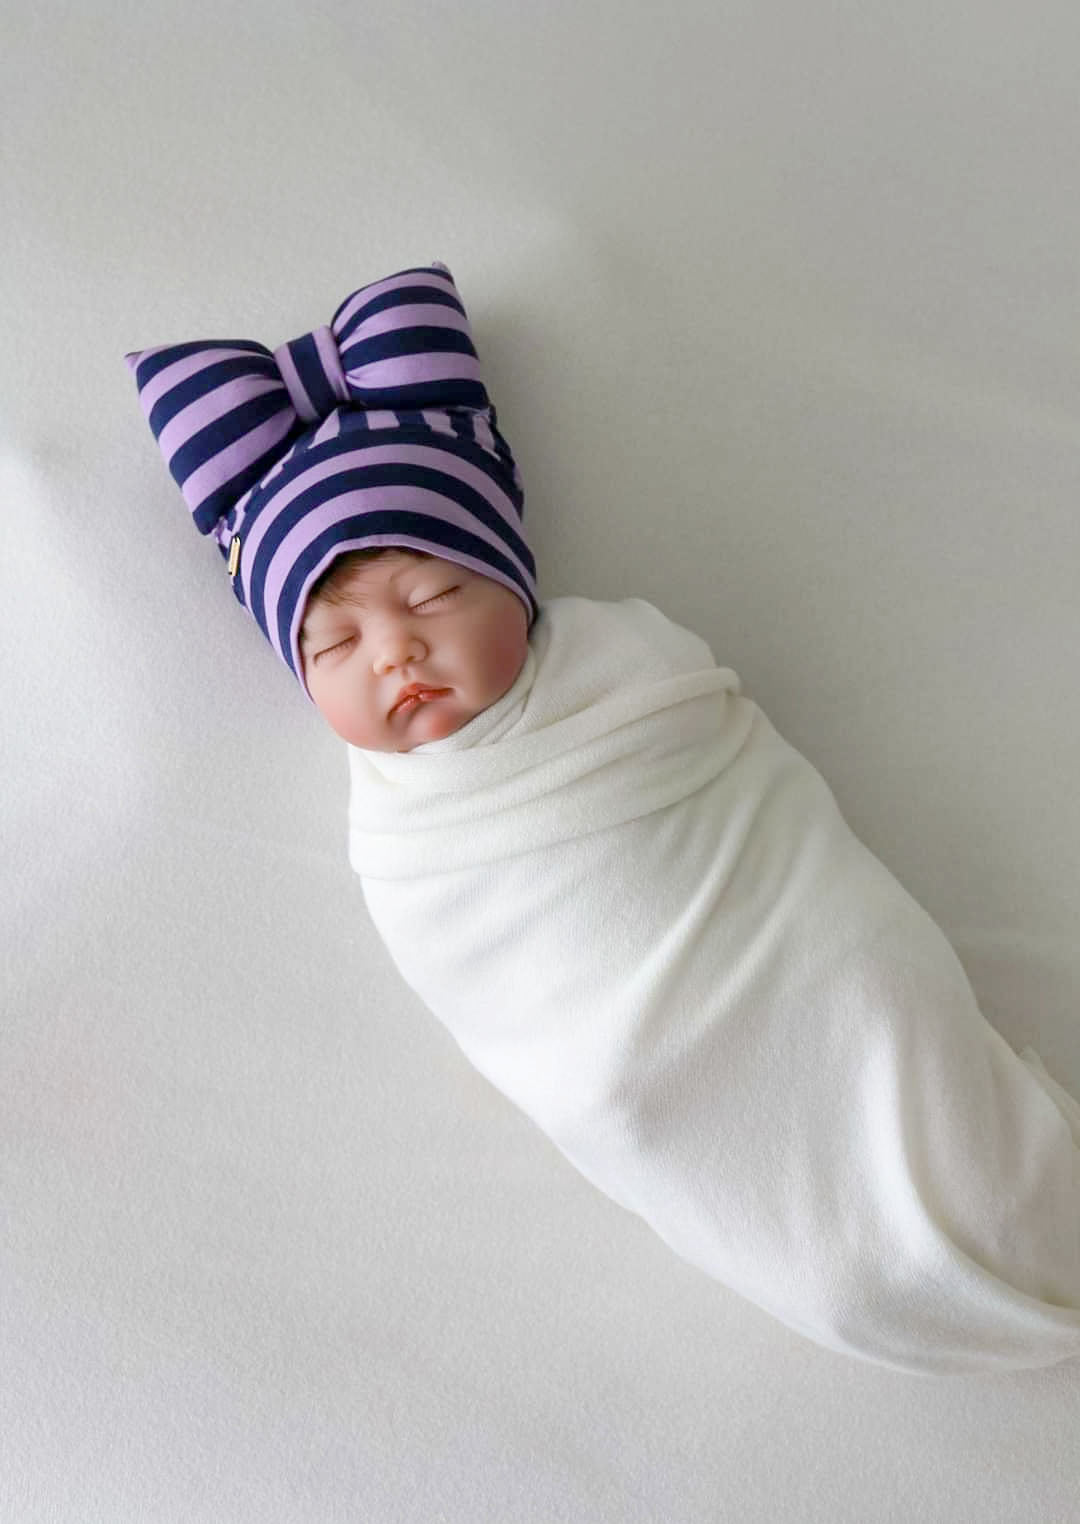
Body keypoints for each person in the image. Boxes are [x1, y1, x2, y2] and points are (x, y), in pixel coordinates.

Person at [127, 260, 1080, 1376]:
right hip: (637, 1071)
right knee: (720, 1171)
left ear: (513, 584)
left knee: (884, 1009)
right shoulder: (400, 839)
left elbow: (762, 816)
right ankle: (875, 1262)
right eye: (333, 644)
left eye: (433, 596)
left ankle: (1010, 1193)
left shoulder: (627, 665)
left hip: (800, 955)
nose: (394, 649)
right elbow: (505, 1001)